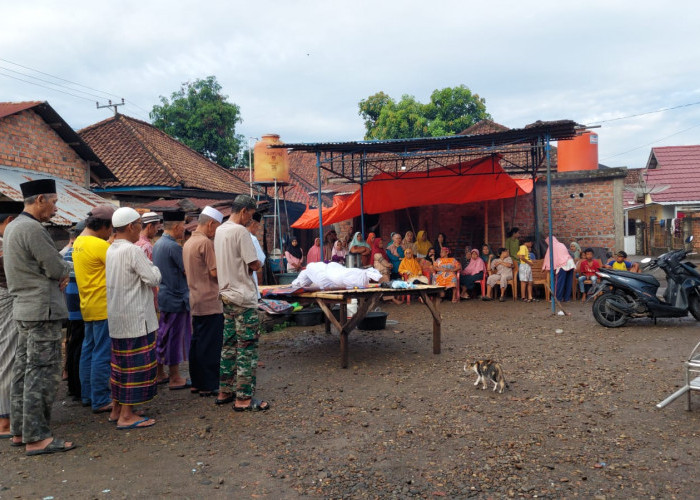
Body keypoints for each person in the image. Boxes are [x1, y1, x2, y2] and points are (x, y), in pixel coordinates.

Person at [4, 179, 76, 455]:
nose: (55, 208)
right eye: (54, 202)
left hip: (24, 308)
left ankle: (20, 431)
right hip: (41, 310)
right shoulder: (32, 229)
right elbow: (54, 265)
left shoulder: (13, 227)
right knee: (42, 374)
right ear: (40, 200)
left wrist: (60, 270)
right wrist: (64, 271)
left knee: (23, 372)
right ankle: (37, 437)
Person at [106, 207, 161, 429]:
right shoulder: (132, 250)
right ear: (131, 226)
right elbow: (152, 278)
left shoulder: (111, 249)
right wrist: (155, 269)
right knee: (136, 367)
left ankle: (117, 408)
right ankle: (127, 416)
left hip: (119, 317)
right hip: (136, 318)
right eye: (139, 223)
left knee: (120, 366)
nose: (141, 228)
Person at [214, 195, 269, 411]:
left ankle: (224, 391)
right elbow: (254, 264)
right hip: (243, 297)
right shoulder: (241, 232)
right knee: (247, 347)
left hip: (226, 294)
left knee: (228, 345)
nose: (250, 219)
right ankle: (244, 398)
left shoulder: (220, 230)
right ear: (245, 211)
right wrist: (255, 263)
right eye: (250, 214)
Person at [73, 204, 116, 414]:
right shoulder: (99, 246)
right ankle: (100, 398)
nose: (111, 233)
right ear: (104, 225)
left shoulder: (79, 241)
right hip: (103, 305)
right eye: (111, 228)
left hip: (87, 304)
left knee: (88, 351)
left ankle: (88, 395)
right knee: (102, 353)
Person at [183, 206, 224, 398]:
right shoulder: (205, 243)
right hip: (209, 299)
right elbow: (214, 272)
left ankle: (197, 382)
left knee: (198, 342)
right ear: (210, 224)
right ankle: (209, 384)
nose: (215, 232)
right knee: (211, 344)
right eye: (216, 227)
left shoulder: (189, 242)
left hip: (195, 298)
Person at [152, 210, 191, 390]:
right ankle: (175, 377)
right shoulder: (174, 247)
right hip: (176, 298)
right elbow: (186, 271)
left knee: (163, 335)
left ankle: (160, 372)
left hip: (165, 296)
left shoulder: (158, 244)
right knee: (175, 338)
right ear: (176, 227)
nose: (184, 229)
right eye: (183, 226)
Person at [0, 201, 23, 439]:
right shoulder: (4, 244)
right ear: (8, 222)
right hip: (5, 301)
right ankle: (5, 421)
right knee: (7, 357)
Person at [62, 220, 86, 402]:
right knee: (79, 344)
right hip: (78, 300)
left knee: (73, 344)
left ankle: (73, 385)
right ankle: (78, 387)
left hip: (70, 301)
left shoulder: (69, 252)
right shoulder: (78, 251)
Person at [542, 236, 576, 302]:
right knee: (568, 282)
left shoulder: (551, 247)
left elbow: (548, 258)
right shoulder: (561, 244)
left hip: (562, 265)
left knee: (559, 282)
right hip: (570, 263)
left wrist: (544, 267)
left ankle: (558, 298)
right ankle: (566, 298)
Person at [246, 212, 266, 295]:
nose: (257, 229)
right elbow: (261, 259)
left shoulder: (235, 236)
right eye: (257, 227)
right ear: (253, 224)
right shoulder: (252, 238)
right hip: (250, 283)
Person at [517, 237, 535, 302]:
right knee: (524, 281)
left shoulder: (525, 248)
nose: (531, 245)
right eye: (531, 243)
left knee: (530, 281)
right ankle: (523, 297)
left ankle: (530, 297)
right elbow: (521, 257)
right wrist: (529, 262)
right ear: (528, 242)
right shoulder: (523, 247)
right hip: (524, 265)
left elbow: (518, 255)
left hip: (527, 266)